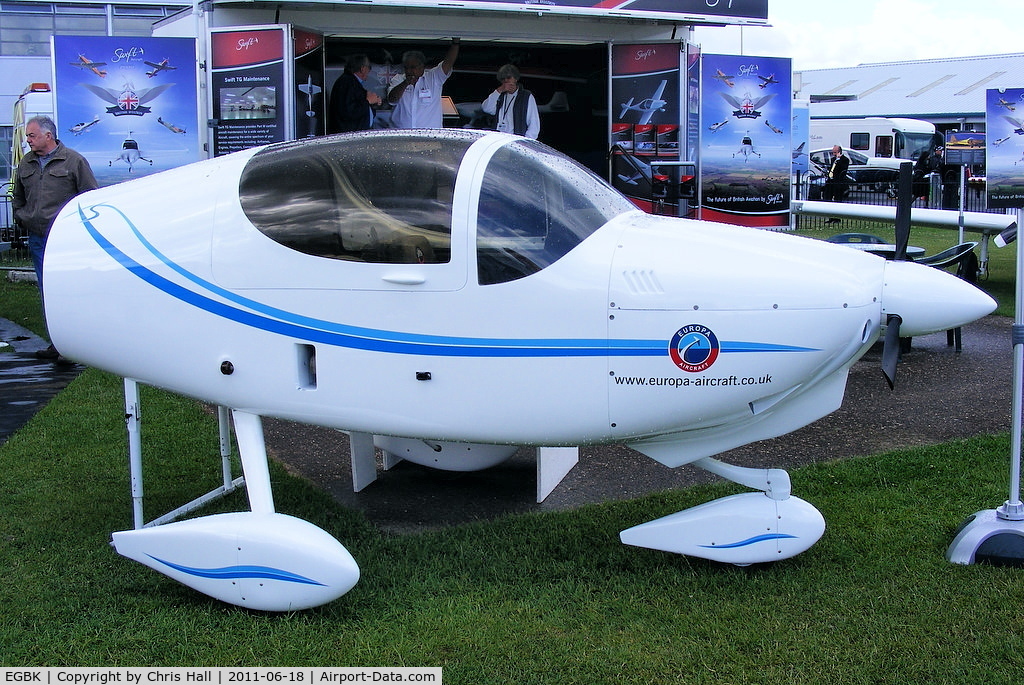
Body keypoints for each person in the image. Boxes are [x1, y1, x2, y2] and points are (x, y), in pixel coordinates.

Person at [12, 115, 98, 361]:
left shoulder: (74, 161)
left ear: (48, 136)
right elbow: (18, 197)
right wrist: (22, 217)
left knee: (72, 289)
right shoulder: (26, 163)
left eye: (32, 135)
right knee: (46, 290)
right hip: (38, 238)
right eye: (28, 136)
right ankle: (57, 343)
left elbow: (90, 197)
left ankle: (80, 344)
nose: (28, 140)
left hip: (66, 240)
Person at [387, 38, 460, 129]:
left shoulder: (433, 78)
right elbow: (392, 100)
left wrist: (455, 43)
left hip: (428, 137)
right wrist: (405, 83)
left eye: (413, 67)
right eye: (406, 67)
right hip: (401, 136)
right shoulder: (398, 79)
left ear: (422, 66)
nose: (409, 71)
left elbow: (448, 63)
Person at [481, 64, 540, 139]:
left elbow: (534, 124)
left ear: (515, 79)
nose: (506, 81)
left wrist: (525, 142)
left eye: (508, 78)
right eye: (503, 79)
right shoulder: (500, 95)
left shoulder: (526, 96)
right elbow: (486, 108)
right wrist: (498, 91)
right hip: (498, 138)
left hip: (515, 140)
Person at [329, 54, 382, 133]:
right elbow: (348, 112)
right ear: (362, 69)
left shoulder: (352, 82)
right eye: (369, 67)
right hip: (350, 137)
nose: (369, 71)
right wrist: (368, 101)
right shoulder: (346, 83)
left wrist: (372, 103)